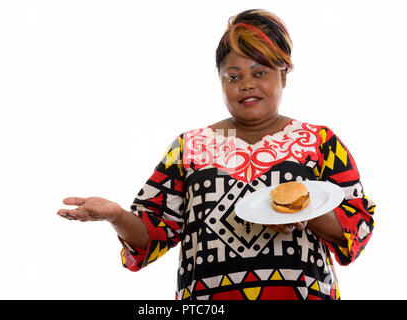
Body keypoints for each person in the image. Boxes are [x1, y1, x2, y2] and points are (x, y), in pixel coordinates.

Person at [57, 9, 375, 300]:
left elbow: (357, 226)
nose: (246, 85)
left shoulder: (320, 142)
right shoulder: (189, 146)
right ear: (220, 81)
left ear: (284, 75)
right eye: (233, 76)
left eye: (259, 72)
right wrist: (117, 216)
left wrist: (302, 211)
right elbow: (152, 233)